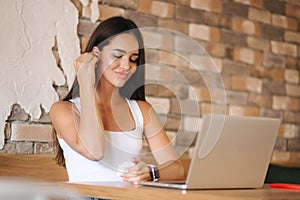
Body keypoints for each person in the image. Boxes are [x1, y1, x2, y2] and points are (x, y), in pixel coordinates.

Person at [50, 16, 184, 183]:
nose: (126, 65)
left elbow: (177, 168)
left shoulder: (141, 110)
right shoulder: (63, 110)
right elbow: (94, 151)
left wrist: (150, 173)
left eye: (133, 59)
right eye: (118, 56)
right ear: (96, 55)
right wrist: (86, 82)